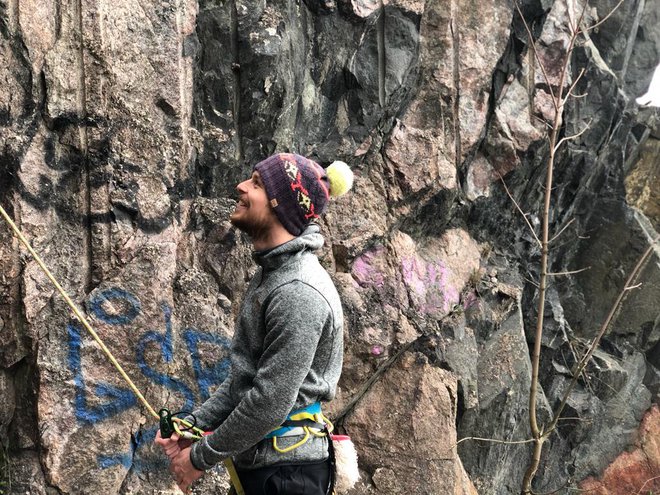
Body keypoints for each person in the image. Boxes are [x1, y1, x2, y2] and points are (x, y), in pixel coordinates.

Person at [155, 152, 354, 494]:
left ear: (281, 206)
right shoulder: (272, 275)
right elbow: (243, 382)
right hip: (270, 468)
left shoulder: (298, 291)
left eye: (257, 184)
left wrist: (199, 459)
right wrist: (192, 424)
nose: (241, 186)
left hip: (288, 477)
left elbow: (269, 402)